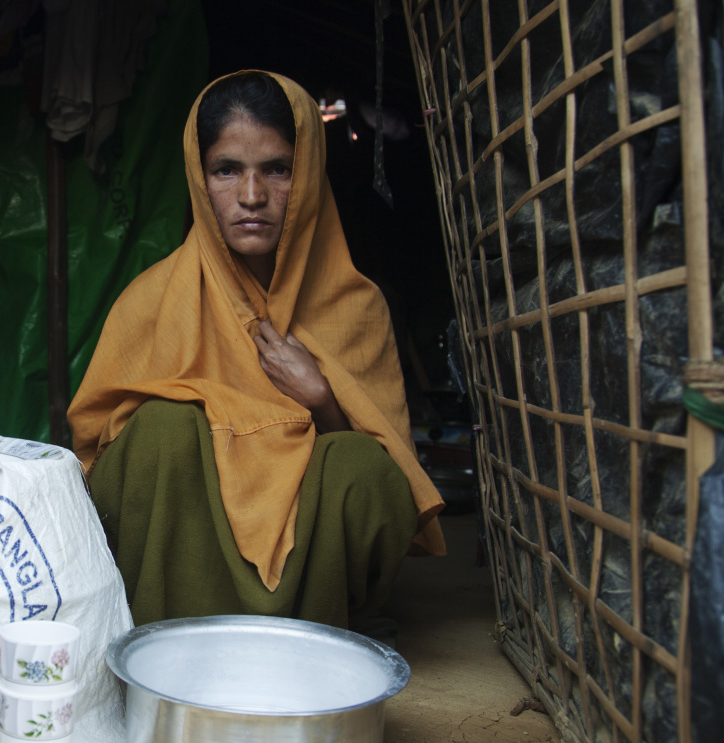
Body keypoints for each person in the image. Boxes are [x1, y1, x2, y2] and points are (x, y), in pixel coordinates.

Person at [67, 71, 445, 630]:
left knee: (364, 469)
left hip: (308, 561)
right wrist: (224, 425)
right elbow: (97, 464)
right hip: (183, 547)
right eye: (227, 170)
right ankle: (165, 640)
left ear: (309, 174)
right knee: (161, 430)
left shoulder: (356, 307)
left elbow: (393, 484)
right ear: (200, 177)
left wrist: (323, 401)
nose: (252, 196)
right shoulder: (151, 303)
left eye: (277, 169)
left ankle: (307, 641)